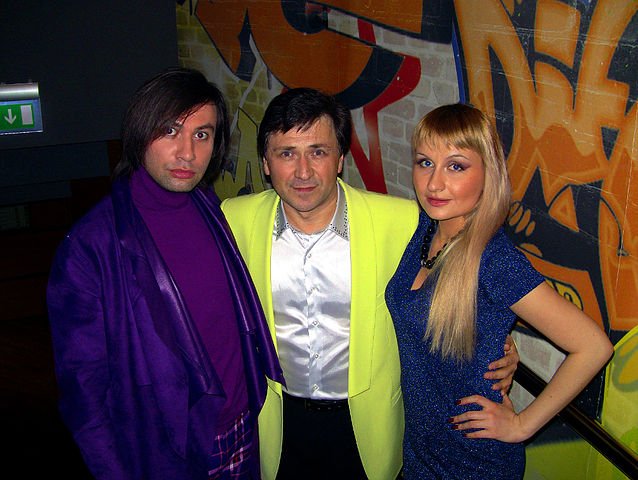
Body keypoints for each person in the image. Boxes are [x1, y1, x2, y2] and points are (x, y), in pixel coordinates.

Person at [221, 88, 520, 479]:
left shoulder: (402, 221)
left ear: (340, 159)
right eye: (286, 153)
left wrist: (496, 341)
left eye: (318, 152)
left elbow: (461, 274)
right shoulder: (234, 219)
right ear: (265, 162)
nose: (303, 172)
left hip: (367, 424)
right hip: (277, 419)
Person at [46, 67, 283, 479]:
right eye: (170, 130)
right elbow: (84, 391)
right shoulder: (91, 245)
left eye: (202, 134)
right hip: (167, 450)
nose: (187, 153)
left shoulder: (211, 209)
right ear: (140, 133)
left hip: (242, 427)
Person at [385, 103, 614, 479]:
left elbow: (593, 346)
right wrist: (497, 345)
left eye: (456, 166)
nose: (434, 183)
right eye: (425, 163)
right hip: (420, 451)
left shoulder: (493, 260)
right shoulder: (425, 227)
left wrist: (522, 425)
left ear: (487, 173)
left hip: (474, 461)